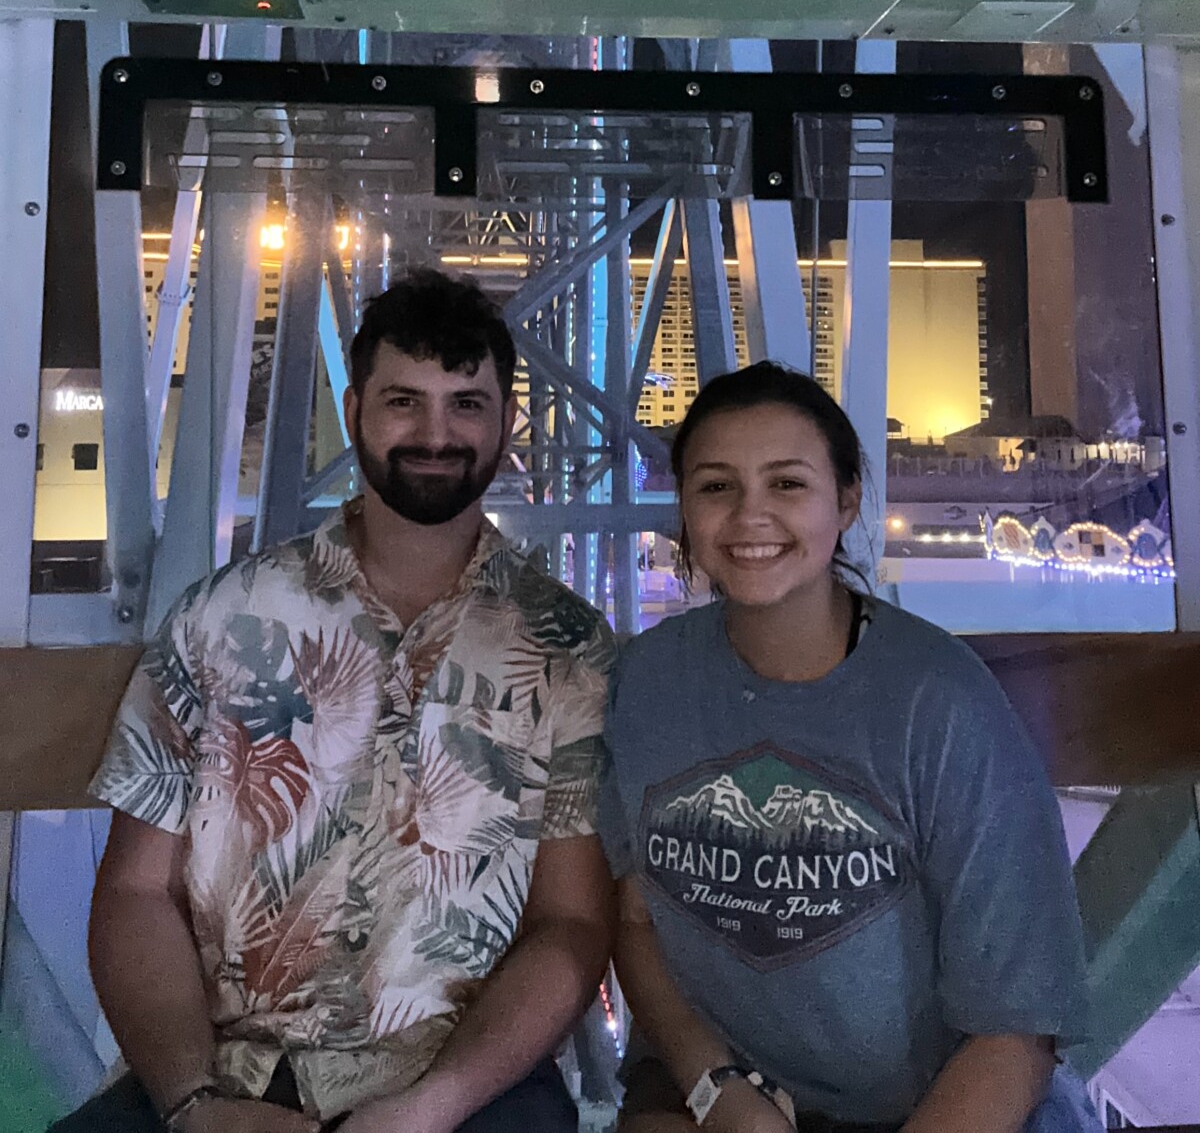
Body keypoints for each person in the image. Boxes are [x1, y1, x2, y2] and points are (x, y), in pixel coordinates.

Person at [60, 269, 616, 1133]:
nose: (436, 434)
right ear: (355, 409)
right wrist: (194, 1103)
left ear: (507, 421)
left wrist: (432, 1107)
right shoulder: (221, 619)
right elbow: (137, 893)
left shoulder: (566, 649)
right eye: (404, 402)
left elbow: (571, 923)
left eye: (467, 404)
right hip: (225, 1064)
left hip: (459, 1081)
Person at [600, 362, 1101, 1133]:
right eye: (716, 486)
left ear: (847, 500)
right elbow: (635, 920)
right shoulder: (646, 683)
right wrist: (716, 1090)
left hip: (947, 1102)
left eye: (787, 484)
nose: (750, 514)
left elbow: (1017, 1029)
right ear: (686, 510)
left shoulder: (940, 703)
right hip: (716, 1092)